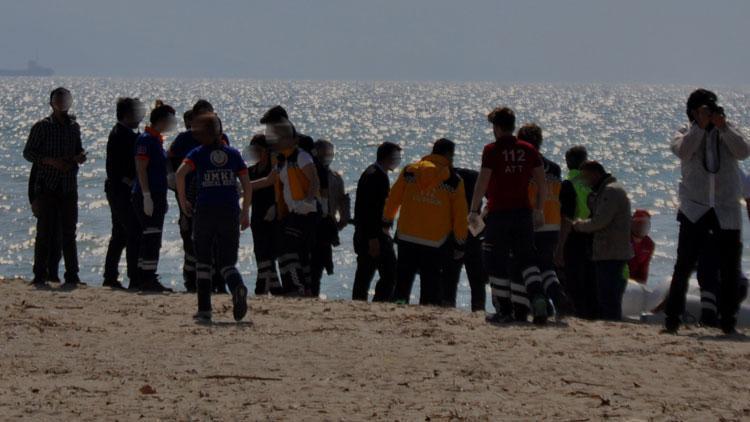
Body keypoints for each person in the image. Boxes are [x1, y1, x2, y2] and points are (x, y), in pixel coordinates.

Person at [664, 89, 749, 335]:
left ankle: (728, 321)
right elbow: (683, 151)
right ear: (693, 112)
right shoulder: (684, 133)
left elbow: (744, 151)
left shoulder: (728, 130)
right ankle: (672, 318)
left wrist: (722, 127)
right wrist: (699, 128)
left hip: (726, 208)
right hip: (695, 208)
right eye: (703, 110)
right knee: (684, 264)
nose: (709, 114)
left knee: (730, 266)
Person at [470, 107, 549, 324]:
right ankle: (538, 297)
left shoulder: (491, 150)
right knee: (526, 259)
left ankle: (504, 309)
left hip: (499, 213)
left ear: (496, 127)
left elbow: (482, 182)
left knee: (495, 260)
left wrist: (474, 209)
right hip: (524, 213)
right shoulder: (529, 150)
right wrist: (539, 210)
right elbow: (543, 185)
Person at [175, 113, 251, 323]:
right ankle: (237, 287)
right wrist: (245, 211)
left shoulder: (197, 153)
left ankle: (205, 309)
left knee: (203, 262)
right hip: (229, 212)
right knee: (227, 262)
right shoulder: (233, 154)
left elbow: (180, 174)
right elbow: (246, 183)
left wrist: (183, 203)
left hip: (206, 211)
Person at [385, 138, 468, 306]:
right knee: (430, 283)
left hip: (406, 235)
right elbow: (460, 214)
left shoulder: (410, 171)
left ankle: (400, 305)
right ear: (448, 155)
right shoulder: (453, 180)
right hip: (435, 241)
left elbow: (393, 198)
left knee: (403, 279)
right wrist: (460, 242)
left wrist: (387, 221)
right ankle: (426, 309)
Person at [23, 87, 86, 289]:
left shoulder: (73, 127)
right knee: (44, 232)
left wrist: (79, 157)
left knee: (69, 232)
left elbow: (78, 150)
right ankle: (40, 275)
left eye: (65, 100)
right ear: (52, 104)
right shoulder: (42, 127)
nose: (62, 104)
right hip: (47, 185)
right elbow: (28, 153)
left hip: (68, 185)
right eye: (58, 101)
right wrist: (49, 161)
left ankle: (72, 275)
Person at [168, 100, 227, 293]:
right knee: (191, 242)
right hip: (191, 197)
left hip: (216, 198)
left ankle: (218, 283)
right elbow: (171, 163)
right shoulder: (185, 139)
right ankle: (191, 283)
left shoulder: (222, 138)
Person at [262, 105, 321, 296]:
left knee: (293, 249)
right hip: (285, 206)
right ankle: (295, 288)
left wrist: (312, 200)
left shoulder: (301, 145)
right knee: (289, 249)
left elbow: (315, 175)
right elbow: (275, 178)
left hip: (304, 209)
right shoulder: (278, 150)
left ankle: (300, 288)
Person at [511, 123, 567, 320]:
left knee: (525, 264)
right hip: (552, 222)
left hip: (530, 220)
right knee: (546, 265)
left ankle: (535, 302)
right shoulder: (555, 168)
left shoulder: (523, 166)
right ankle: (554, 294)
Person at [572, 161, 633, 321]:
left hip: (611, 251)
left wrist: (579, 225)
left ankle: (612, 323)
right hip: (611, 250)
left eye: (586, 177)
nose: (585, 182)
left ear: (595, 174)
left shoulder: (610, 192)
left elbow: (600, 221)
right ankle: (611, 321)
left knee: (608, 295)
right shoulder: (605, 191)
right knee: (608, 294)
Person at [132, 100, 176, 292]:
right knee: (150, 236)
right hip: (146, 194)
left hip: (158, 194)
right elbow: (141, 168)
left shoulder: (157, 140)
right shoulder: (145, 140)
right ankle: (146, 278)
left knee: (153, 236)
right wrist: (146, 195)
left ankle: (147, 275)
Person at [103, 97, 145, 290]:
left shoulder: (126, 133)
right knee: (133, 231)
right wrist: (131, 183)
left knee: (119, 233)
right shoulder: (121, 134)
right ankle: (134, 276)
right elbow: (116, 169)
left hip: (119, 190)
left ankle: (110, 276)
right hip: (120, 191)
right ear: (127, 115)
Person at [351, 142, 401, 302]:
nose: (397, 160)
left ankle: (363, 303)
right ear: (386, 157)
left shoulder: (376, 174)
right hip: (373, 235)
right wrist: (373, 238)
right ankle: (377, 303)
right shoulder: (375, 176)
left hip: (371, 233)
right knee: (389, 273)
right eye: (395, 157)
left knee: (366, 273)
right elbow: (369, 210)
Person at [556, 146, 597, 319]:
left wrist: (559, 247)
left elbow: (566, 218)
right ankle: (590, 314)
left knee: (572, 280)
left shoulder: (567, 184)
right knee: (589, 279)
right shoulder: (592, 184)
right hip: (592, 236)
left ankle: (576, 314)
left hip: (573, 237)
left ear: (567, 164)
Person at [440, 167, 488, 311]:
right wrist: (482, 221)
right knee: (477, 278)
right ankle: (478, 308)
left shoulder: (451, 179)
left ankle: (447, 305)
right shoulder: (475, 178)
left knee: (450, 275)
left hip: (452, 229)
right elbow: (491, 202)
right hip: (474, 227)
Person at [310, 139, 351, 297]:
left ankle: (314, 295)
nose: (327, 156)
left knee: (319, 268)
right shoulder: (309, 172)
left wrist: (343, 219)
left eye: (329, 153)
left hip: (327, 229)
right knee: (309, 267)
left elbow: (342, 199)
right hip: (311, 227)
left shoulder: (335, 177)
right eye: (324, 152)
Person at [247, 134, 283, 295]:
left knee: (268, 256)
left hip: (273, 218)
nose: (256, 153)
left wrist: (275, 206)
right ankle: (275, 290)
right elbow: (246, 197)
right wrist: (242, 214)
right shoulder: (251, 171)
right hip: (257, 219)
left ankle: (261, 289)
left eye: (259, 150)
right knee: (261, 255)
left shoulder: (275, 170)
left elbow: (279, 190)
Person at [28, 164, 62, 283]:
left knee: (56, 238)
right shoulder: (41, 158)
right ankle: (40, 273)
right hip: (44, 195)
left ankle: (52, 273)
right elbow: (33, 180)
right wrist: (33, 200)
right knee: (44, 237)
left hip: (60, 195)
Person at [627, 210, 655, 284]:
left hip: (635, 282)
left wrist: (641, 284)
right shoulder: (622, 239)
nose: (640, 227)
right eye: (638, 223)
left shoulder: (649, 244)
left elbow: (643, 269)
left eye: (644, 224)